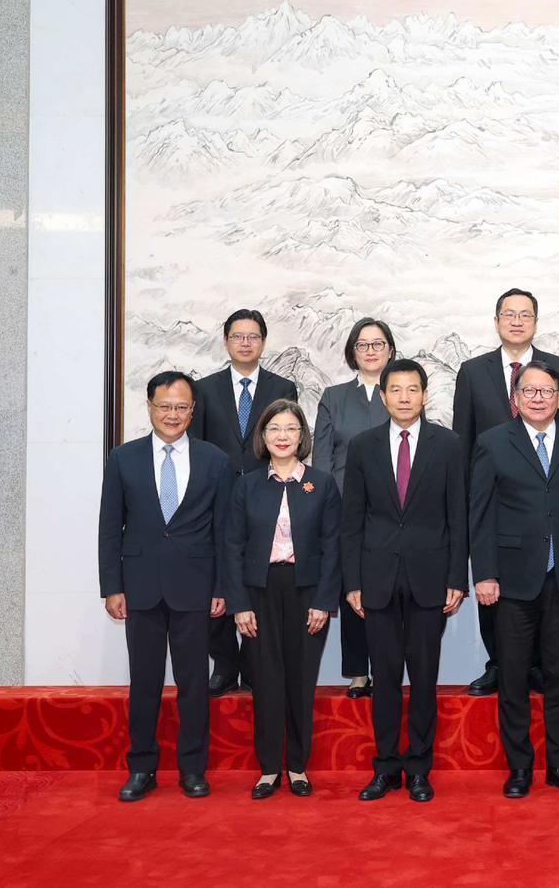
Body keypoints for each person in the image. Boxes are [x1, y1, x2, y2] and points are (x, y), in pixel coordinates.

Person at [98, 371, 229, 802]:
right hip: (140, 587)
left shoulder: (215, 460)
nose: (173, 414)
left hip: (196, 586)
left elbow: (225, 531)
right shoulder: (124, 458)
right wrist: (111, 586)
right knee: (145, 682)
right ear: (150, 407)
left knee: (194, 684)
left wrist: (223, 586)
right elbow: (109, 528)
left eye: (181, 407)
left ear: (193, 411)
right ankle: (142, 768)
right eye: (165, 406)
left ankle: (193, 769)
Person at [342, 359, 468, 804]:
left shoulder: (448, 445)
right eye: (395, 390)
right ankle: (385, 769)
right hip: (376, 578)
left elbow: (459, 516)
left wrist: (458, 576)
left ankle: (419, 768)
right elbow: (352, 518)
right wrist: (352, 580)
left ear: (425, 395)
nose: (404, 398)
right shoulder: (362, 446)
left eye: (412, 390)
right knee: (386, 679)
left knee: (424, 679)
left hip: (429, 579)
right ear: (383, 395)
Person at [469, 361, 559, 799]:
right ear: (516, 399)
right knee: (515, 679)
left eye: (547, 391)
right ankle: (519, 768)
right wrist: (483, 573)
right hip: (510, 581)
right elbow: (480, 514)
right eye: (530, 391)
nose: (538, 397)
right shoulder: (492, 443)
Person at [452, 288, 559, 696]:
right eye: (509, 314)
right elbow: (464, 440)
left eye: (526, 314)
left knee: (547, 597)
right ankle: (499, 664)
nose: (517, 321)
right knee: (498, 592)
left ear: (536, 323)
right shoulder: (473, 372)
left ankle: (540, 667)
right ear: (496, 322)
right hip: (496, 503)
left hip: (547, 510)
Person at [223, 399, 342, 800]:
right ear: (263, 436)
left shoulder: (322, 484)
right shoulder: (247, 485)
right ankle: (270, 769)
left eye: (291, 428)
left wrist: (324, 601)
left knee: (300, 683)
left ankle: (298, 766)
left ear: (302, 435)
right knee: (266, 682)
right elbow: (233, 547)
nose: (283, 436)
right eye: (274, 429)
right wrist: (239, 604)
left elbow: (332, 547)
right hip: (258, 593)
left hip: (307, 592)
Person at [193, 309, 299, 697]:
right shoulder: (203, 389)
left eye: (253, 336)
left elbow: (286, 441)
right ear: (226, 341)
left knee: (257, 582)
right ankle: (224, 665)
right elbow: (199, 448)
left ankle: (255, 664)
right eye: (237, 336)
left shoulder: (282, 385)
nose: (245, 342)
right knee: (219, 579)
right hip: (217, 498)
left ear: (263, 342)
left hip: (264, 497)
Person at [313, 317, 396, 699]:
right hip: (345, 507)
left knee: (384, 589)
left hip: (390, 510)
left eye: (378, 344)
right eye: (363, 345)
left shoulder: (399, 393)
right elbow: (322, 458)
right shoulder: (333, 397)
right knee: (353, 592)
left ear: (391, 350)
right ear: (352, 352)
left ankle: (386, 666)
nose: (371, 351)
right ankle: (357, 672)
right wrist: (325, 503)